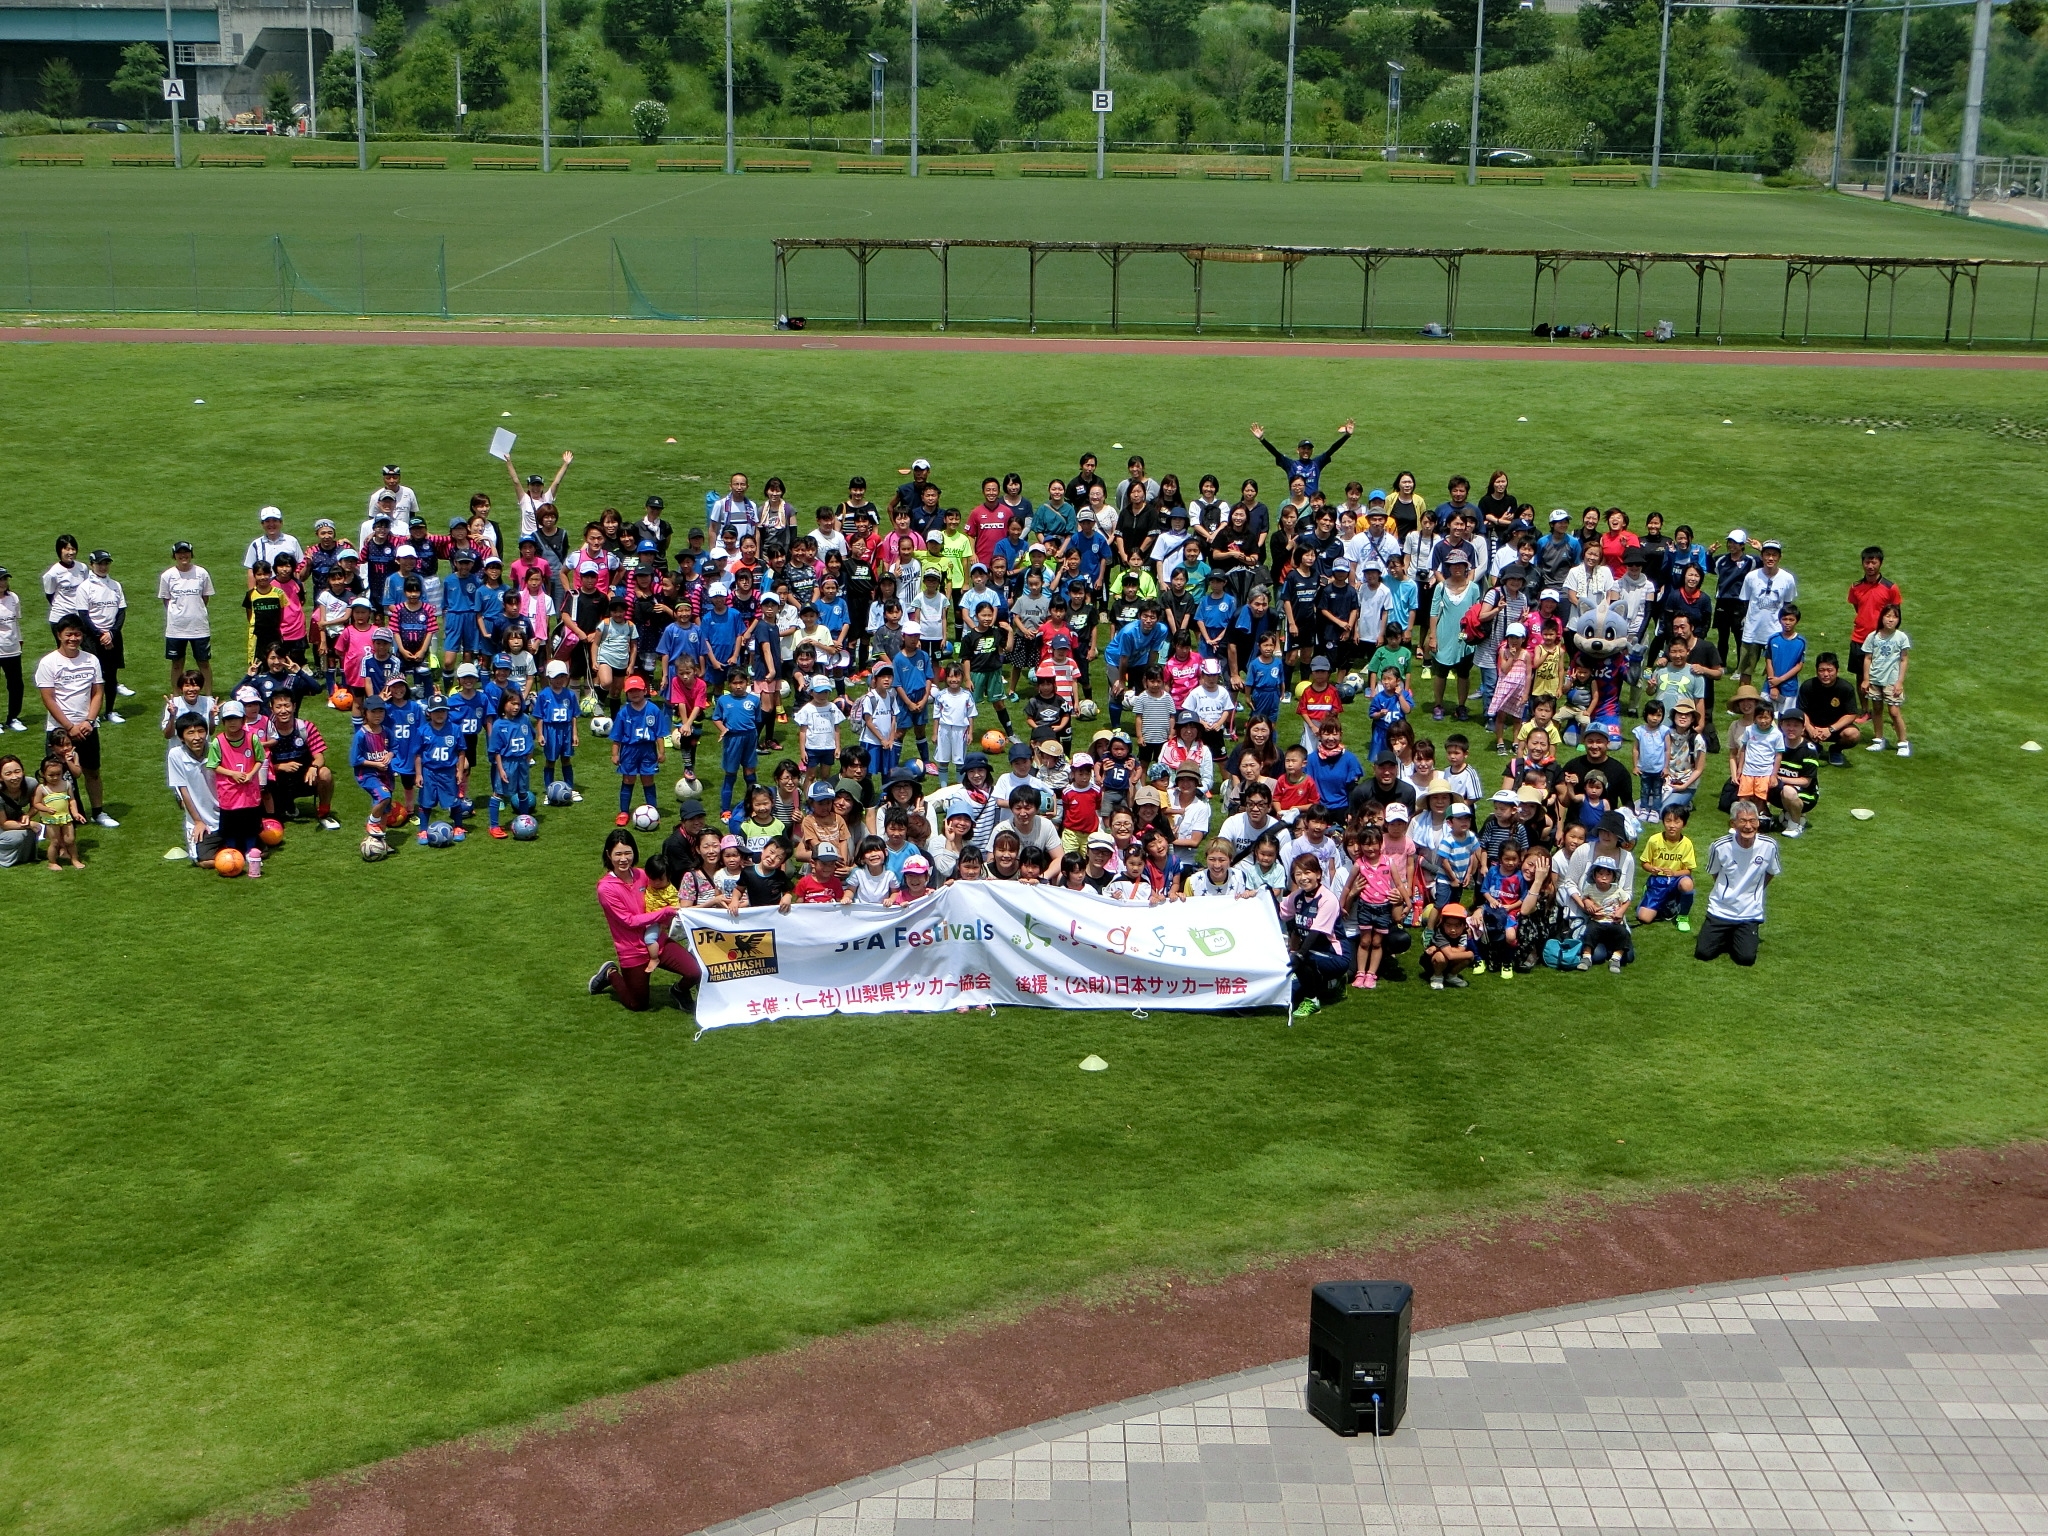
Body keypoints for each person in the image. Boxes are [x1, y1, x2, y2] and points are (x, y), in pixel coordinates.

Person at [590, 830, 702, 1011]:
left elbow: (666, 891)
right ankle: (610, 974)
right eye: (618, 854)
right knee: (638, 1004)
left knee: (695, 972)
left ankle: (679, 991)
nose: (623, 859)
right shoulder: (606, 888)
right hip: (632, 951)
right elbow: (629, 921)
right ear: (608, 855)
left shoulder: (644, 875)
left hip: (659, 942)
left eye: (628, 853)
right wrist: (664, 912)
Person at [35, 615, 116, 828]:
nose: (73, 638)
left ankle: (98, 812)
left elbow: (98, 692)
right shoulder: (48, 662)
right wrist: (69, 727)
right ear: (59, 635)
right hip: (59, 730)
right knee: (57, 775)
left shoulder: (91, 660)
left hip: (88, 726)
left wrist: (89, 720)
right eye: (68, 634)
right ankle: (63, 816)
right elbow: (48, 698)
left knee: (92, 771)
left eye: (77, 634)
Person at [1694, 800, 1781, 966]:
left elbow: (1771, 872)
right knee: (1703, 953)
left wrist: (1755, 891)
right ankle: (1727, 934)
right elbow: (1715, 873)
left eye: (1752, 820)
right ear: (1733, 823)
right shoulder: (1719, 846)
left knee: (1746, 959)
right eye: (1743, 821)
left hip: (1749, 913)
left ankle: (1737, 935)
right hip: (1720, 909)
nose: (1748, 826)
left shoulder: (1769, 846)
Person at [1279, 851, 1350, 1018]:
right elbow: (1280, 912)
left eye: (1307, 872)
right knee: (1291, 993)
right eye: (1298, 874)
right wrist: (1259, 894)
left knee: (1300, 961)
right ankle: (1331, 983)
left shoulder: (1328, 899)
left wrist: (1299, 955)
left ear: (1318, 874)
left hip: (1335, 955)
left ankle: (1312, 1001)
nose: (1303, 878)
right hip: (1311, 954)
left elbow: (1316, 932)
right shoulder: (1297, 896)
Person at [157, 540, 215, 692]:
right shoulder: (167, 576)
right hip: (176, 628)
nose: (183, 556)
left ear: (191, 554)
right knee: (176, 664)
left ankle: (208, 696)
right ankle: (177, 698)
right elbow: (166, 600)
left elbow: (205, 597)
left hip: (199, 627)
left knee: (204, 663)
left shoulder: (201, 573)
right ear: (174, 555)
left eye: (186, 552)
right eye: (180, 553)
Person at [1861, 603, 1911, 757]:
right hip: (1876, 679)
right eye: (1888, 616)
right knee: (1876, 709)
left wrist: (1900, 682)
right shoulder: (1873, 636)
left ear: (1898, 620)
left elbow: (1903, 660)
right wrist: (1866, 678)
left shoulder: (1901, 637)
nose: (1890, 620)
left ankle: (1903, 743)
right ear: (1882, 617)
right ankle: (1878, 739)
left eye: (1894, 617)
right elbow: (1868, 658)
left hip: (1891, 680)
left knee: (1894, 712)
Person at [32, 752, 83, 869]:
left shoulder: (66, 784)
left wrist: (75, 813)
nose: (55, 778)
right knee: (55, 842)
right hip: (51, 820)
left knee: (70, 840)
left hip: (66, 817)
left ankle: (75, 859)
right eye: (51, 775)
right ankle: (52, 862)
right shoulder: (42, 788)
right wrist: (46, 809)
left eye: (58, 774)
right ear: (43, 774)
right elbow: (36, 803)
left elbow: (72, 800)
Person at [1422, 903, 1476, 990]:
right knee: (1441, 956)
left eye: (1457, 926)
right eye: (1448, 925)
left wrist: (1439, 948)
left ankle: (1451, 976)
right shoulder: (1440, 934)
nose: (1453, 929)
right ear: (1443, 924)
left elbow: (1461, 950)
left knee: (1465, 959)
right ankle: (1437, 976)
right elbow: (1450, 955)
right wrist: (1470, 954)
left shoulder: (1464, 933)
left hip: (1449, 960)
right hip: (1431, 962)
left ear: (1463, 925)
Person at [0, 565, 22, 733]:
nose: (3, 583)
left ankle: (13, 717)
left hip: (12, 648)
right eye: (0, 579)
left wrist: (19, 639)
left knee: (16, 685)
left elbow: (15, 622)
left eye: (5, 579)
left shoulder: (13, 598)